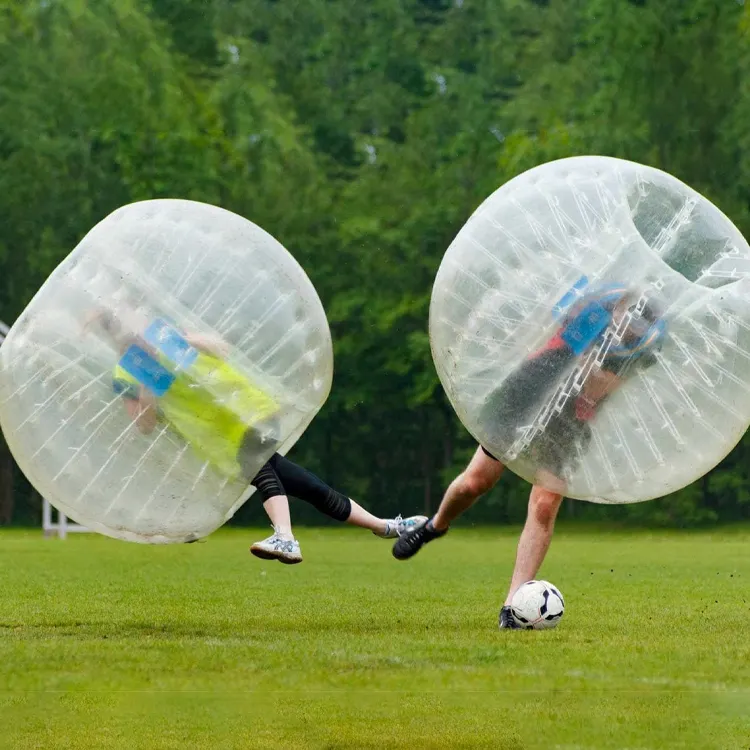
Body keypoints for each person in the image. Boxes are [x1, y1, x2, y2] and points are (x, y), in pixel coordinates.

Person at [392, 282, 666, 627]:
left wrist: (598, 370)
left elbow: (600, 387)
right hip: (529, 386)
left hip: (573, 413)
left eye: (637, 329)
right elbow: (558, 347)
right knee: (476, 482)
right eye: (628, 321)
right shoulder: (595, 306)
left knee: (544, 504)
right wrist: (585, 358)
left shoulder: (645, 345)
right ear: (622, 308)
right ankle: (435, 525)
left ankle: (512, 605)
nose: (629, 330)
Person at [89, 307, 426, 563]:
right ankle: (386, 526)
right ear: (111, 339)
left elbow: (221, 350)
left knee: (259, 470)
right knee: (306, 486)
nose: (127, 332)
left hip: (247, 410)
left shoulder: (166, 335)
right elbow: (145, 426)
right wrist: (149, 381)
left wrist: (181, 341)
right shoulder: (125, 373)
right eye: (115, 329)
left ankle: (285, 537)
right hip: (218, 438)